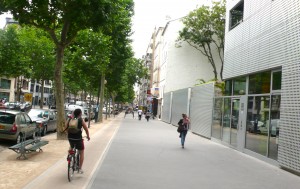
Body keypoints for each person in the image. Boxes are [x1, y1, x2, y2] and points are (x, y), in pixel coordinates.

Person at [65, 108, 90, 174]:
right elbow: (86, 129)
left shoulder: (69, 119)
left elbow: (66, 128)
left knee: (71, 146)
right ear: (80, 114)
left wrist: (70, 134)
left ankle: (69, 155)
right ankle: (80, 168)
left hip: (70, 138)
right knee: (81, 152)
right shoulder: (81, 120)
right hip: (78, 139)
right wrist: (88, 136)